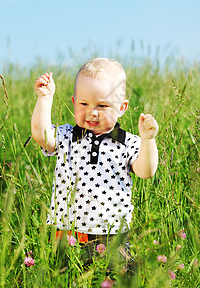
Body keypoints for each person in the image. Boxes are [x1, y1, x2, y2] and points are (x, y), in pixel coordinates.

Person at [31, 58, 158, 271]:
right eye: (84, 104)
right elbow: (41, 134)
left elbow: (146, 171)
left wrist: (148, 140)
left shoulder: (128, 143)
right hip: (65, 232)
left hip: (110, 236)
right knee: (63, 278)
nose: (92, 111)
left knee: (117, 278)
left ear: (122, 107)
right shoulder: (66, 136)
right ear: (74, 102)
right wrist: (45, 98)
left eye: (102, 105)